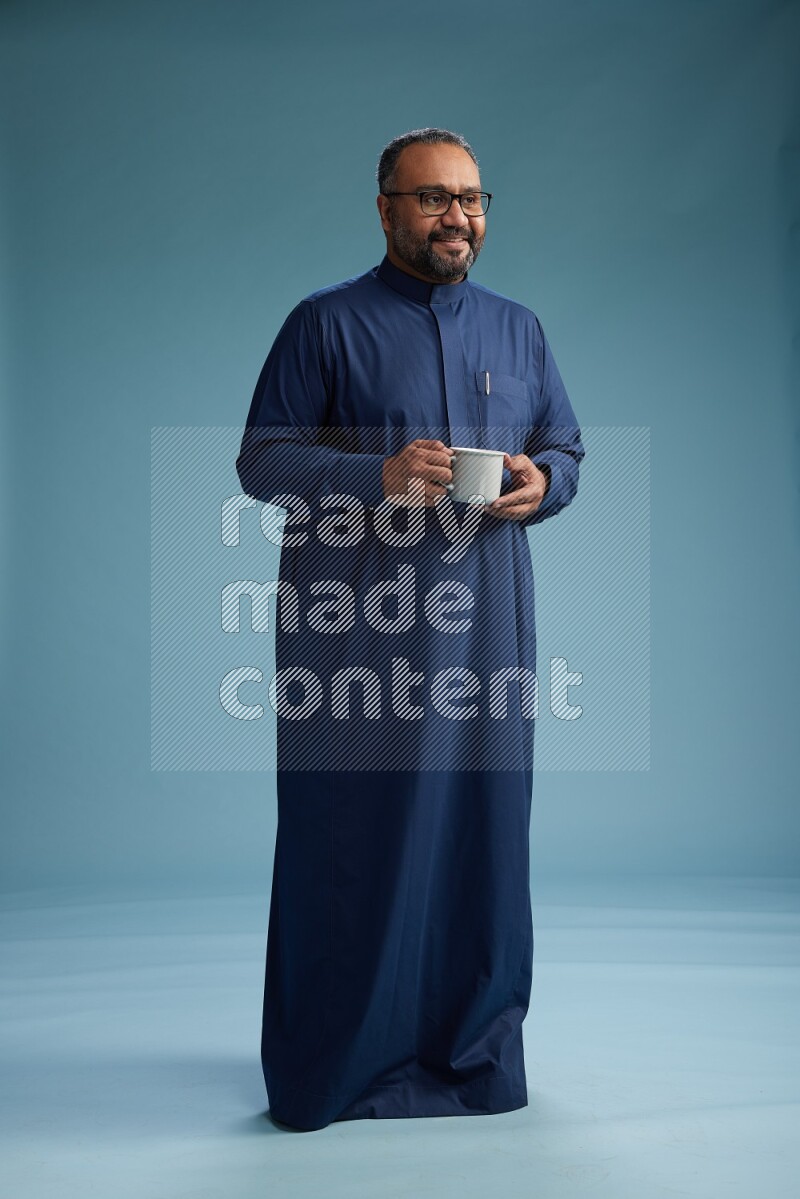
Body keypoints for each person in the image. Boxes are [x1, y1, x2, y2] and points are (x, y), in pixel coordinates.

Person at [235, 127, 584, 1131]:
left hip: (484, 634)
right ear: (384, 208)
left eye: (470, 198)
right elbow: (262, 461)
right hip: (357, 634)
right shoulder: (324, 324)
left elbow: (562, 443)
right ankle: (336, 1067)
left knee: (479, 838)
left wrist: (541, 481)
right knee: (350, 835)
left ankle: (469, 1057)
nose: (456, 216)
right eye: (432, 198)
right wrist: (369, 477)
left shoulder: (518, 329)